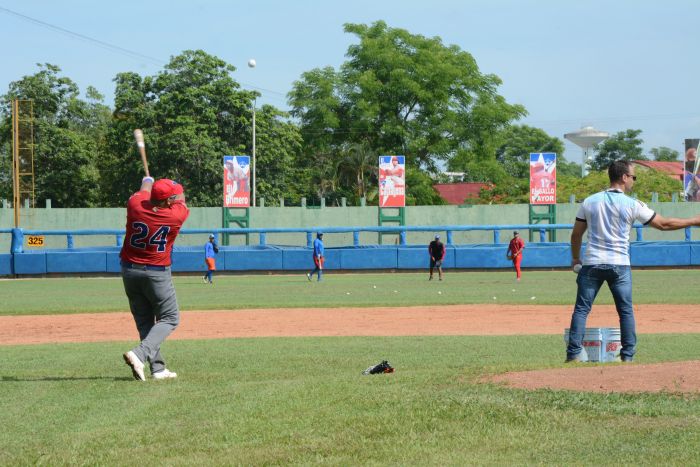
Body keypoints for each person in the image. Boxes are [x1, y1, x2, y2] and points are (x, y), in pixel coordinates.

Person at [566, 160, 700, 363]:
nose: (634, 181)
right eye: (633, 177)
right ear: (624, 177)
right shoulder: (632, 204)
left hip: (592, 263)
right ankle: (627, 356)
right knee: (625, 311)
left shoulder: (589, 201)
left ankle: (574, 354)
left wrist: (576, 257)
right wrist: (694, 220)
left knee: (582, 309)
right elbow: (663, 225)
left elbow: (576, 235)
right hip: (619, 264)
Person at [120, 177, 190, 381]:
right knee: (170, 318)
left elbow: (144, 189)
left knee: (144, 321)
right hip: (156, 272)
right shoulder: (176, 215)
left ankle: (157, 369)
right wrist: (172, 189)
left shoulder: (135, 204)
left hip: (129, 270)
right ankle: (139, 354)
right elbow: (181, 199)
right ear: (168, 201)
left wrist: (148, 180)